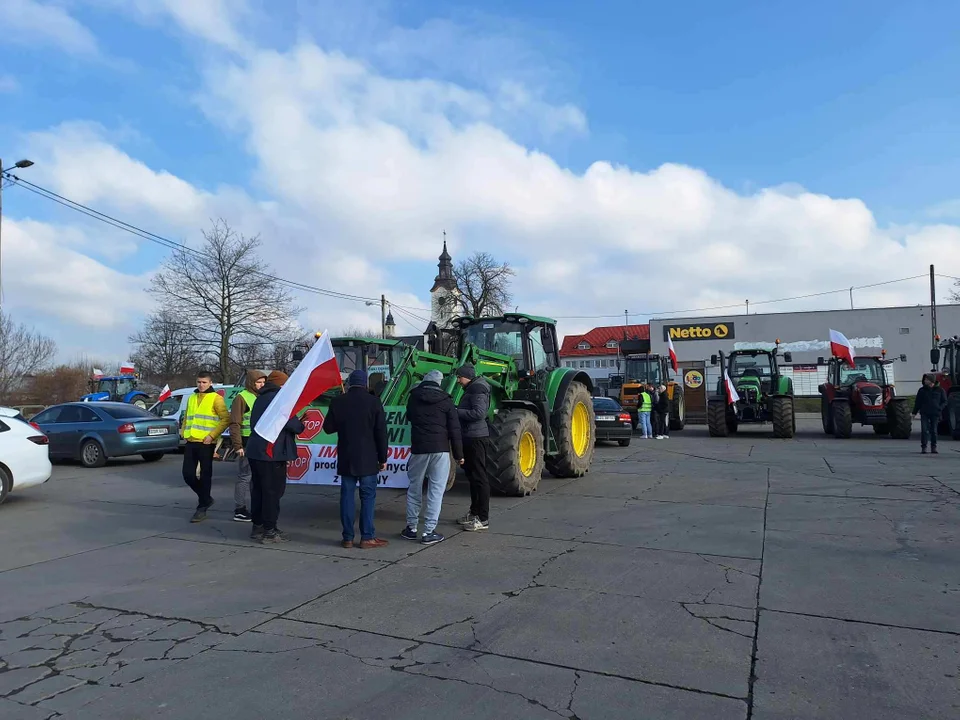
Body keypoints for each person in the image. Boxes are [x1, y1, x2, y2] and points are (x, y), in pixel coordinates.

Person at [322, 369, 390, 549]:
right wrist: (383, 457)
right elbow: (381, 432)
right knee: (368, 496)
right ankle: (367, 537)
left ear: (349, 383)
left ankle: (348, 537)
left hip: (346, 456)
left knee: (346, 496)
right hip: (368, 457)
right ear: (366, 384)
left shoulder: (338, 401)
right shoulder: (374, 402)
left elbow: (328, 428)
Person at [402, 369, 464, 545]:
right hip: (440, 449)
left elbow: (409, 416)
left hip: (419, 448)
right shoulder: (446, 400)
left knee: (414, 488)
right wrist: (459, 455)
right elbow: (455, 430)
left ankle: (411, 528)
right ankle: (429, 532)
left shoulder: (414, 397)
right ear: (439, 383)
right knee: (436, 491)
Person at [245, 371, 305, 543]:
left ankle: (258, 526)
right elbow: (294, 425)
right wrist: (300, 424)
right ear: (281, 384)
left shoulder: (260, 398)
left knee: (258, 490)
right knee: (273, 492)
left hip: (256, 451)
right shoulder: (279, 400)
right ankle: (270, 530)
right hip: (271, 453)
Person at [181, 371, 230, 523]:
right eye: (199, 382)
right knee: (188, 474)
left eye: (204, 382)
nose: (201, 385)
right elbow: (187, 417)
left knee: (205, 475)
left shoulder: (216, 398)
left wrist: (212, 436)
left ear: (210, 383)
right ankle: (206, 498)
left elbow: (225, 419)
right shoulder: (192, 397)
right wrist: (183, 432)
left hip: (206, 443)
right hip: (191, 441)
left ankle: (202, 507)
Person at [455, 364, 491, 532]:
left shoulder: (477, 389)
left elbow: (479, 413)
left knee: (479, 477)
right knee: (472, 476)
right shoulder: (472, 389)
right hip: (470, 437)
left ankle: (483, 519)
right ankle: (474, 512)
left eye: (459, 377)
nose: (457, 381)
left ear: (466, 376)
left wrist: (456, 411)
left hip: (476, 438)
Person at [229, 370, 266, 522]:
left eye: (264, 382)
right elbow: (235, 423)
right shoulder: (242, 397)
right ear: (251, 382)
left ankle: (255, 507)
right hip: (246, 442)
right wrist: (238, 445)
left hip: (259, 442)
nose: (261, 385)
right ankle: (240, 509)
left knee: (256, 477)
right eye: (258, 382)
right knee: (245, 477)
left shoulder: (262, 396)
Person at [912, 374, 947, 454]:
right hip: (924, 413)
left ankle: (933, 447)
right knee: (924, 430)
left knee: (934, 431)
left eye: (927, 380)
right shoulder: (921, 390)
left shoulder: (940, 390)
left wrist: (939, 408)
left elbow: (944, 401)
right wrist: (914, 413)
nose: (925, 381)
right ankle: (924, 447)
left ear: (932, 381)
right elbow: (918, 402)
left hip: (935, 413)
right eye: (924, 379)